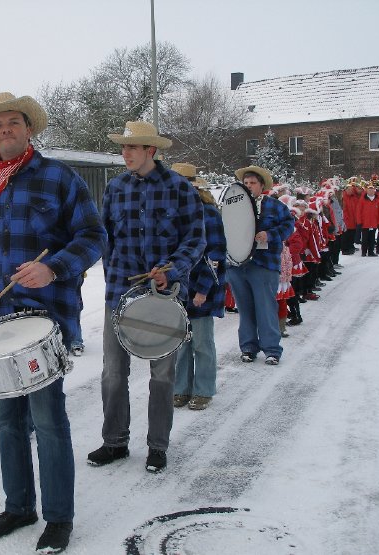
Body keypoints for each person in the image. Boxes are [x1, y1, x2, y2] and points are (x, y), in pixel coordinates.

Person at [0, 91, 107, 554]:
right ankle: (19, 506)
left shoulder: (58, 177)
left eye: (13, 122)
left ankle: (59, 517)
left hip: (43, 317)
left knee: (48, 419)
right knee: (8, 420)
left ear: (28, 128)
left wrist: (54, 267)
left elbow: (93, 236)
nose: (5, 130)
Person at [89, 122, 206, 473]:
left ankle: (157, 446)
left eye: (133, 148)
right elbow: (103, 236)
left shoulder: (180, 189)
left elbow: (196, 239)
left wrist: (172, 269)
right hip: (119, 293)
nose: (125, 154)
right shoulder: (115, 189)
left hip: (162, 296)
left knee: (162, 376)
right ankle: (114, 442)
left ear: (151, 151)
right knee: (112, 372)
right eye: (123, 147)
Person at [169, 165, 226, 412]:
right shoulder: (172, 213)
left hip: (202, 287)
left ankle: (203, 389)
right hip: (177, 289)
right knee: (180, 343)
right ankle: (181, 387)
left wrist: (203, 289)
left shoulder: (209, 214)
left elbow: (215, 254)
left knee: (202, 343)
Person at [226, 165, 294, 366]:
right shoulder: (232, 206)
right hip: (237, 265)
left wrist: (270, 235)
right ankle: (248, 347)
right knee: (245, 309)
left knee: (265, 308)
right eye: (245, 183)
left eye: (252, 183)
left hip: (263, 264)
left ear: (261, 185)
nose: (248, 186)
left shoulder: (274, 205)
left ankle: (272, 349)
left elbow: (289, 226)